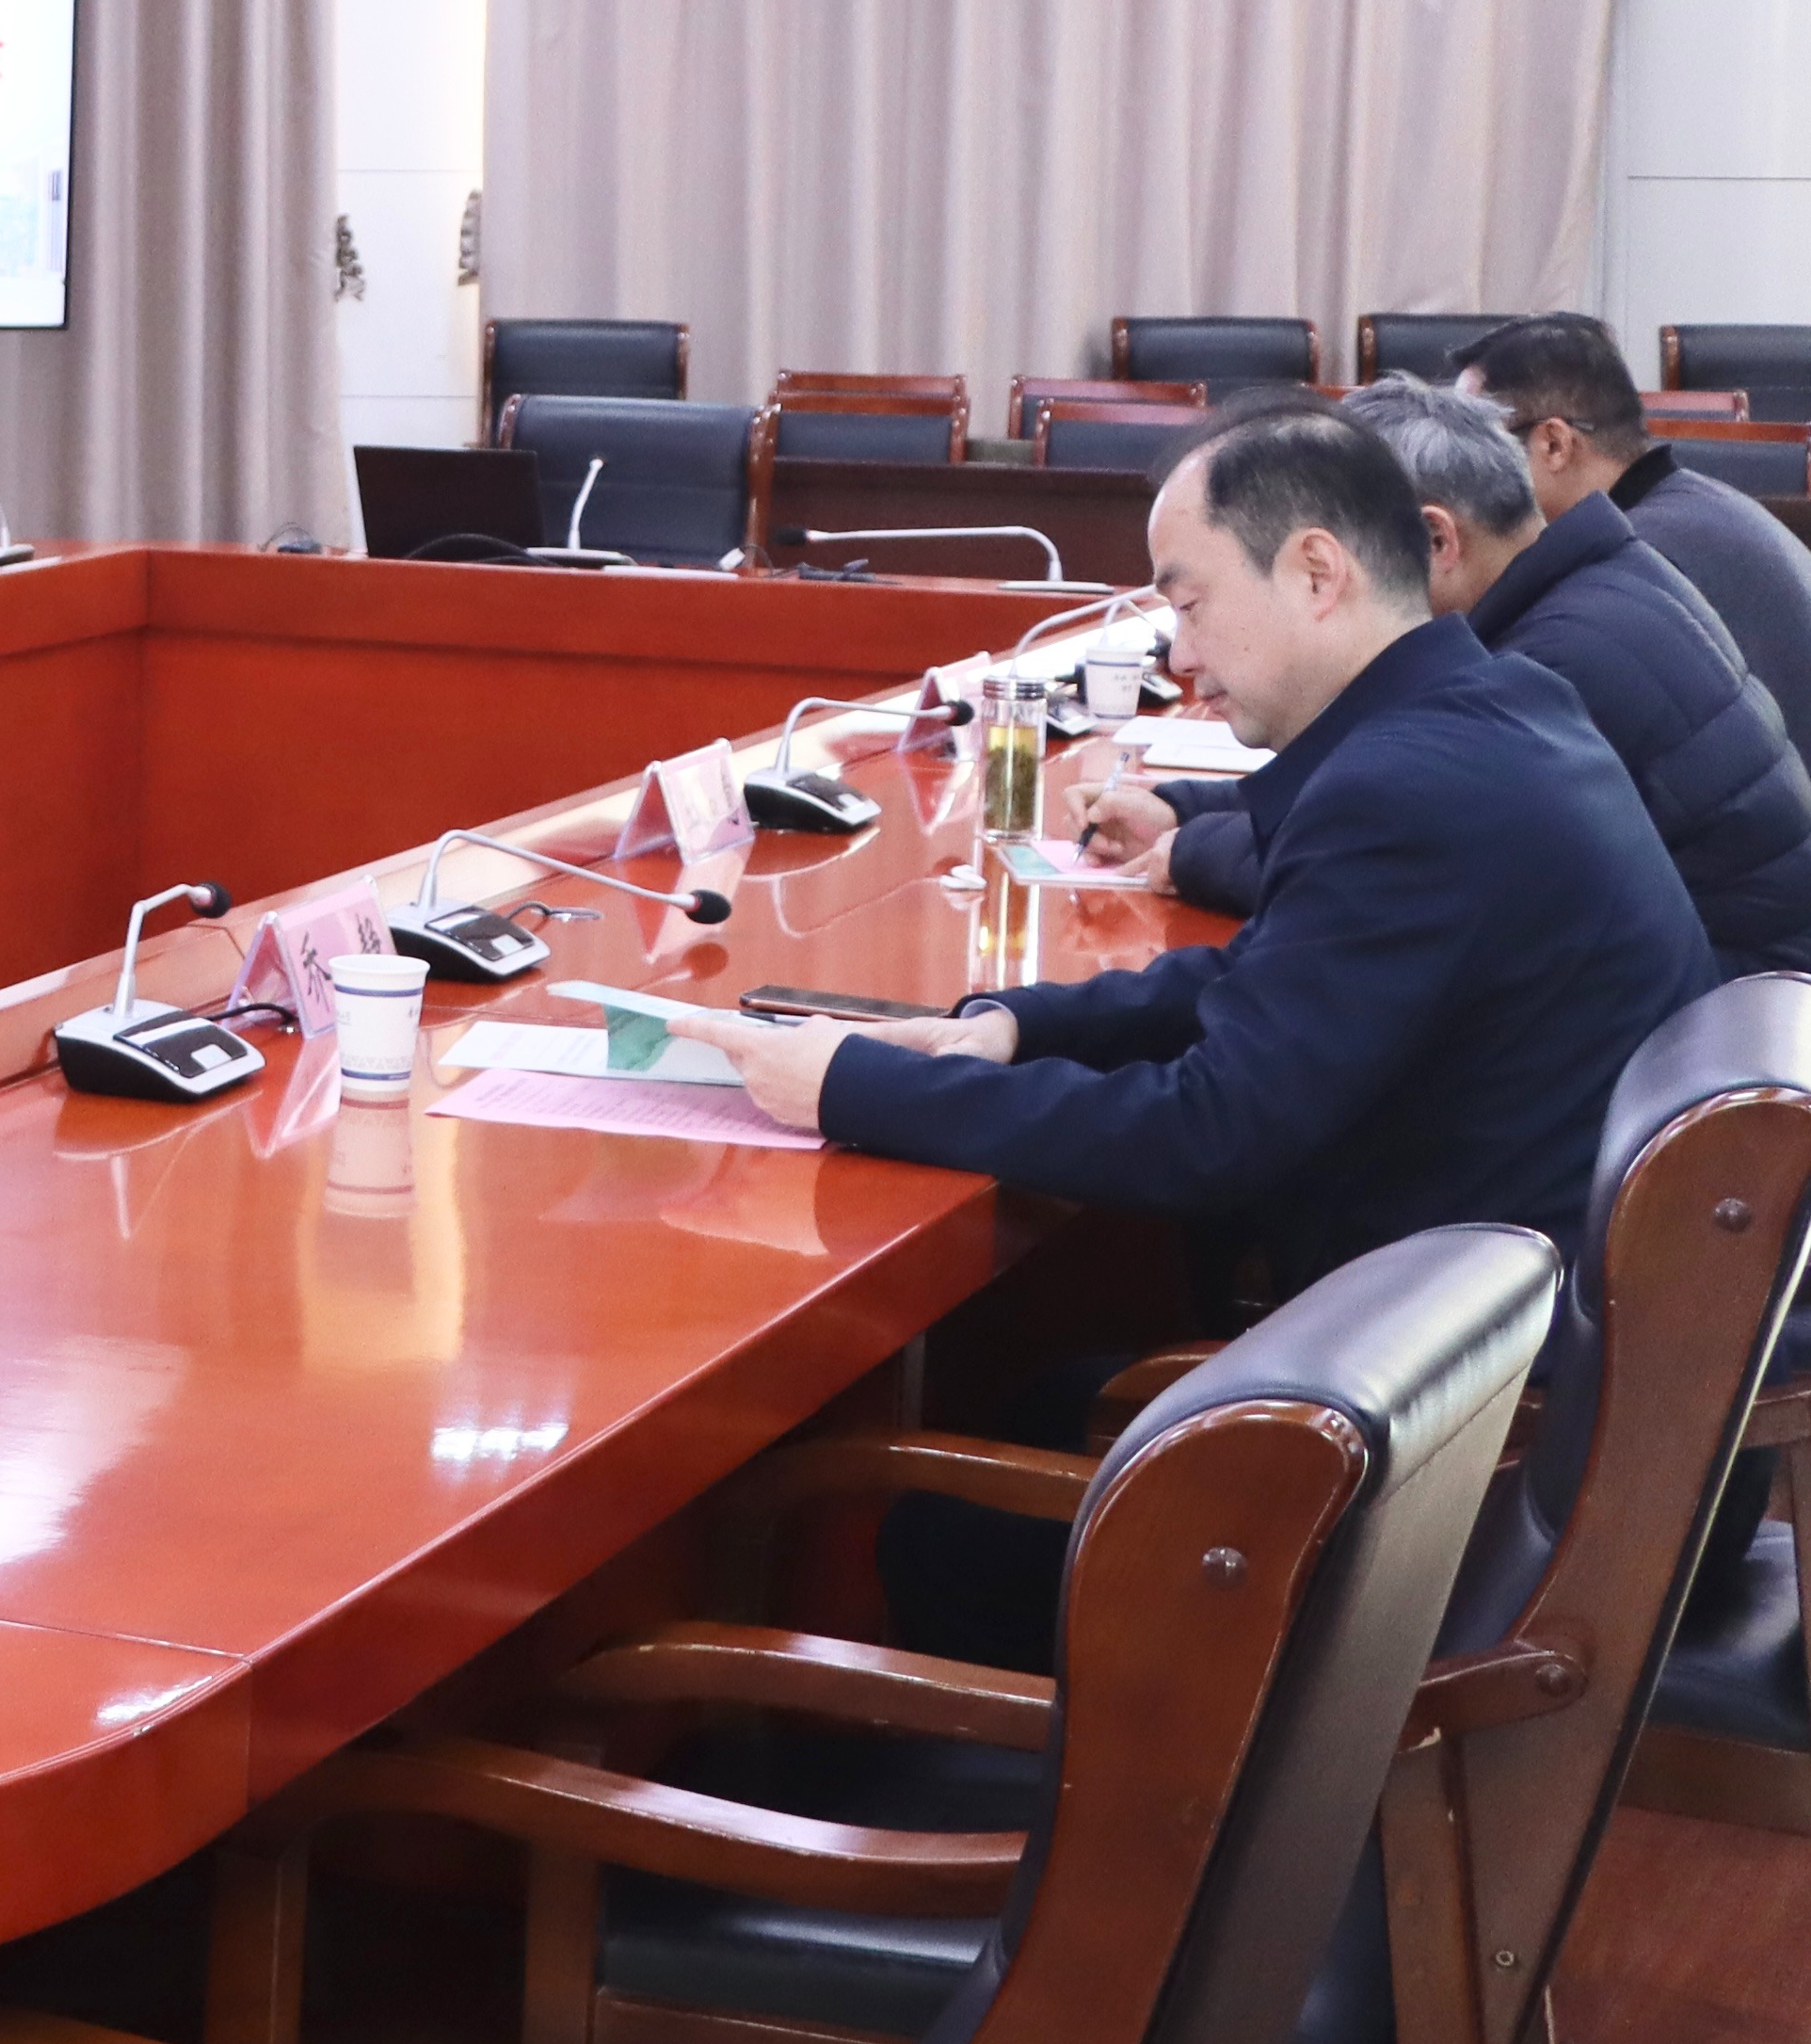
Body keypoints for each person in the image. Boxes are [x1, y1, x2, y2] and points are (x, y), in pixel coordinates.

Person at [707, 402, 1715, 1309]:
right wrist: (1015, 1023)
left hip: (1483, 1376)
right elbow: (1271, 975)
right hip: (1515, 1290)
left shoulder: (1404, 789)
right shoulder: (1495, 703)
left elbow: (1208, 1134)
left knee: (962, 1445)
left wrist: (851, 1087)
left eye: (1189, 607)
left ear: (1317, 573)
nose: (1181, 657)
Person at [1077, 374, 1811, 971]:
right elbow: (1367, 807)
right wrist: (1184, 808)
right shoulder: (1594, 582)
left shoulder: (1552, 662)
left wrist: (1194, 851)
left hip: (1721, 1020)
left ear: (1433, 540)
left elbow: (1386, 861)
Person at [1460, 312, 1811, 749]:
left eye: (1475, 450)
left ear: (1554, 444)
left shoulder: (1631, 566)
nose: (1460, 480)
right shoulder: (1699, 503)